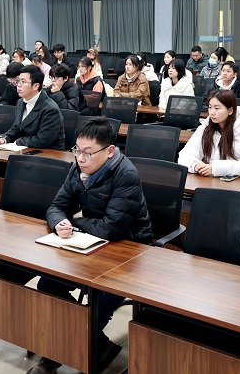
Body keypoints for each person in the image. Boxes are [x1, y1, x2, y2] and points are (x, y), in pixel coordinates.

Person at [27, 117, 153, 374]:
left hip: (130, 250)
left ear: (109, 151)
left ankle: (53, 359)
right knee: (48, 284)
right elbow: (57, 206)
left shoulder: (126, 175)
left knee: (99, 301)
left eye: (87, 153)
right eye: (77, 150)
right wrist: (61, 221)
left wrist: (76, 223)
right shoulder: (78, 168)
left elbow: (111, 228)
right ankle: (98, 345)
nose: (80, 158)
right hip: (93, 244)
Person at [178, 90, 240, 178]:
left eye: (217, 108)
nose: (212, 112)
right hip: (213, 181)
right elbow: (185, 154)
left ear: (230, 110)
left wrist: (216, 169)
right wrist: (195, 165)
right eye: (210, 107)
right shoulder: (205, 129)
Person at [0, 64, 65, 150]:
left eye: (23, 82)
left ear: (36, 86)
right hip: (27, 149)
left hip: (48, 153)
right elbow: (16, 127)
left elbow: (43, 140)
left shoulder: (50, 109)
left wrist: (18, 142)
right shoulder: (20, 102)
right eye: (18, 81)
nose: (18, 85)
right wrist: (5, 138)